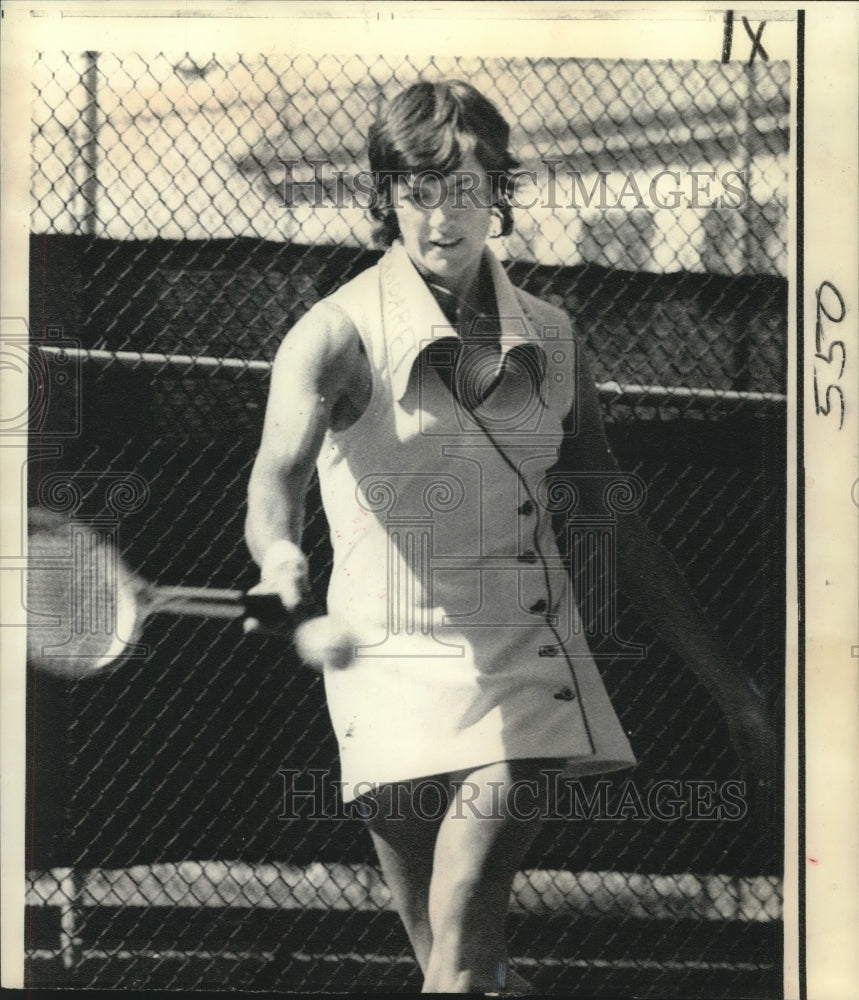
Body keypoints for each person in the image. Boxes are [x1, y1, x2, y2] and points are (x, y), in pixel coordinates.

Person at [245, 79, 774, 994]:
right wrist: (279, 553)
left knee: (459, 937)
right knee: (457, 959)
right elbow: (273, 480)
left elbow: (615, 519)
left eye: (466, 188)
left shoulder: (555, 339)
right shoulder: (331, 335)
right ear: (386, 198)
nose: (441, 216)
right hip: (381, 664)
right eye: (418, 191)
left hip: (523, 659)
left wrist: (731, 687)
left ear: (500, 194)